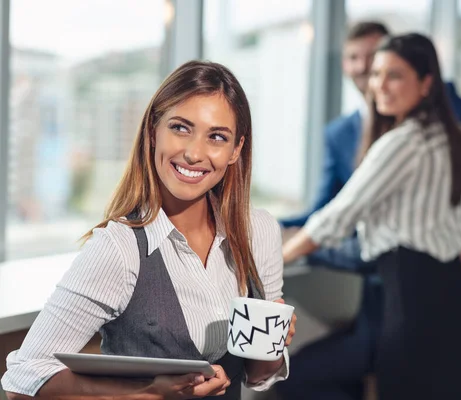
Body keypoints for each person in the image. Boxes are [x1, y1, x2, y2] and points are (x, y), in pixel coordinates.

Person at [2, 61, 296, 400]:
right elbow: (22, 379)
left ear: (236, 151)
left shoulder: (259, 231)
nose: (194, 153)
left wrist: (273, 344)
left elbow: (257, 374)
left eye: (217, 137)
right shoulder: (119, 248)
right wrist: (150, 393)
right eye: (181, 128)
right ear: (154, 130)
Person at [278, 22, 461, 400]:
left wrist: (277, 259)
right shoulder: (453, 136)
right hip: (456, 294)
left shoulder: (401, 142)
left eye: (394, 76)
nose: (378, 84)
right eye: (377, 74)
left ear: (426, 83)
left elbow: (336, 219)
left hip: (414, 303)